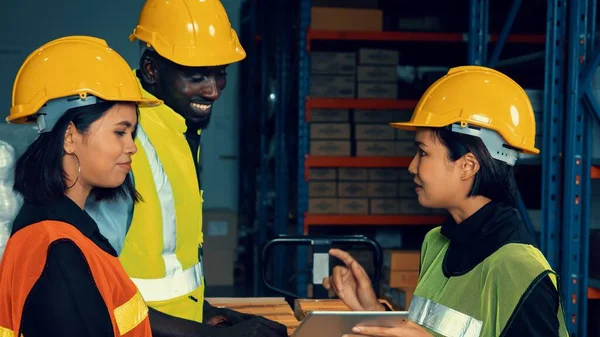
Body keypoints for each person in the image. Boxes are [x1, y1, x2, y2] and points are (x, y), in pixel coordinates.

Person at [84, 0, 287, 336]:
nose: (214, 90)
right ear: (151, 69)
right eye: (197, 77)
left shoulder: (177, 129)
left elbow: (168, 270)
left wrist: (211, 314)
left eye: (220, 73)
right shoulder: (122, 140)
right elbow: (98, 296)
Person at [323, 66, 570, 337]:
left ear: (467, 165)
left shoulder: (518, 268)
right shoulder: (437, 243)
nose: (412, 166)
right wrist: (372, 311)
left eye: (423, 152)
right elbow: (432, 330)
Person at [0, 35, 161, 336]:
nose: (132, 147)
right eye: (119, 132)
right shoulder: (59, 252)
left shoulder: (61, 231)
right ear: (70, 137)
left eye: (133, 133)